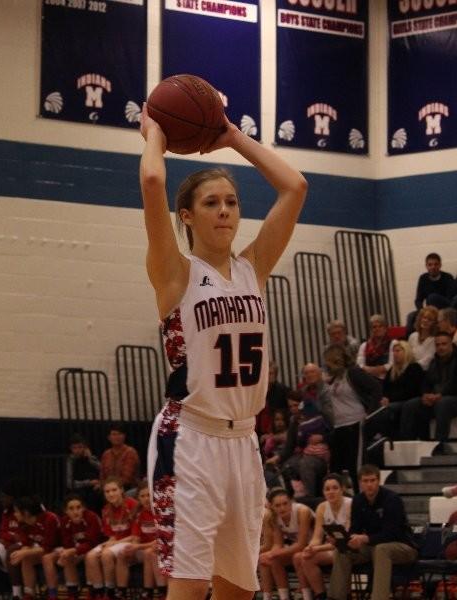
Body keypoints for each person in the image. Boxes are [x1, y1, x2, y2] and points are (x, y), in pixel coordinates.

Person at [140, 105, 307, 600]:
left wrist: (232, 135)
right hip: (190, 439)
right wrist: (155, 132)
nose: (226, 211)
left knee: (238, 589)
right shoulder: (175, 271)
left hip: (243, 444)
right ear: (187, 216)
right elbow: (153, 179)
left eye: (232, 202)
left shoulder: (253, 266)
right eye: (212, 203)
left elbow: (295, 186)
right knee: (189, 587)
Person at [327, 464, 417, 600]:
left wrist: (365, 539)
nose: (369, 485)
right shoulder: (358, 500)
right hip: (373, 547)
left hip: (403, 546)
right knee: (342, 551)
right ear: (360, 483)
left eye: (372, 480)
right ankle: (336, 597)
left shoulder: (392, 500)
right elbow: (355, 529)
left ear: (378, 481)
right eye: (365, 481)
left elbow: (392, 533)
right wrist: (345, 540)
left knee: (381, 549)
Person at [318, 343, 381, 486]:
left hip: (355, 423)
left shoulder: (353, 373)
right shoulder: (333, 379)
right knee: (336, 467)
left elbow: (376, 387)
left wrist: (370, 412)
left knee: (355, 465)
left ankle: (360, 493)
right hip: (339, 425)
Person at [399, 332, 457, 446]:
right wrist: (425, 394)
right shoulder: (434, 362)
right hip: (437, 397)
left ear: (451, 344)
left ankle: (439, 445)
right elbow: (426, 382)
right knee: (410, 405)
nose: (440, 347)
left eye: (444, 344)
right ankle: (408, 445)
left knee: (443, 403)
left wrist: (440, 395)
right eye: (437, 345)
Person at [293, 474, 351, 600]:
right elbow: (317, 537)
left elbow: (345, 541)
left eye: (335, 488)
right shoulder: (322, 507)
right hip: (331, 547)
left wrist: (317, 549)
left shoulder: (350, 505)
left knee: (311, 556)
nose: (331, 492)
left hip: (347, 549)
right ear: (323, 492)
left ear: (342, 489)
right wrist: (310, 547)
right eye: (327, 489)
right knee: (303, 557)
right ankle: (320, 594)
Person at [86, 478, 139, 600]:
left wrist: (114, 543)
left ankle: (110, 592)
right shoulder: (105, 510)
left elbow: (136, 535)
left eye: (114, 490)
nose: (111, 494)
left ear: (121, 490)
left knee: (106, 554)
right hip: (116, 542)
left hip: (130, 541)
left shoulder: (133, 505)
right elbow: (112, 535)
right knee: (90, 556)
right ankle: (98, 591)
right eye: (107, 491)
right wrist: (109, 543)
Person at [42, 494, 103, 600]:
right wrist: (68, 552)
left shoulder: (91, 517)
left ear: (83, 508)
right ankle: (70, 593)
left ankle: (94, 592)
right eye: (71, 509)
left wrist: (74, 550)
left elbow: (93, 542)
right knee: (56, 557)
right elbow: (67, 543)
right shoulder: (65, 521)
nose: (76, 511)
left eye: (78, 508)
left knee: (87, 555)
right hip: (77, 549)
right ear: (66, 511)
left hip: (95, 547)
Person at [258, 489, 314, 600]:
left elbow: (301, 544)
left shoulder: (302, 511)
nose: (282, 508)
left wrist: (273, 553)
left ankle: (307, 596)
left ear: (291, 502)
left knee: (295, 557)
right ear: (272, 507)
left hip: (314, 547)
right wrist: (270, 554)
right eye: (277, 505)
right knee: (269, 559)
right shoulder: (274, 517)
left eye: (285, 504)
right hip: (297, 549)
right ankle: (280, 597)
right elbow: (278, 544)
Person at [365, 341, 424, 444]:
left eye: (398, 351)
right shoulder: (392, 370)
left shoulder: (414, 368)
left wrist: (389, 399)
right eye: (393, 351)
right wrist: (384, 398)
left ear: (406, 352)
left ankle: (392, 439)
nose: (395, 354)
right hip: (393, 401)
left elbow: (411, 390)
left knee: (386, 411)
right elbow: (385, 388)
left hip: (408, 400)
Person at [118, 482, 166, 600]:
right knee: (122, 553)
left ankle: (160, 592)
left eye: (148, 495)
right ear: (138, 499)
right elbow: (135, 538)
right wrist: (131, 548)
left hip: (164, 548)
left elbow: (160, 542)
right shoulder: (139, 514)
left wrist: (137, 547)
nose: (146, 499)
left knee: (150, 553)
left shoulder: (162, 512)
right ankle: (120, 593)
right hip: (145, 548)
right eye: (142, 496)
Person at [11, 496, 61, 600]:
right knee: (25, 558)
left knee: (46, 558)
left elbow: (48, 547)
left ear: (26, 513)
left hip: (60, 548)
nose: (14, 514)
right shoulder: (24, 524)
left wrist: (24, 552)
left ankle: (52, 595)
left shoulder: (50, 519)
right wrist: (21, 553)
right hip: (44, 549)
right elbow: (26, 543)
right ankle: (29, 594)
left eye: (16, 511)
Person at [406, 252, 456, 331]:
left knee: (432, 297)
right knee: (411, 316)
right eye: (430, 265)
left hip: (445, 309)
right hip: (429, 310)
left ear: (440, 265)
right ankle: (410, 340)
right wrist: (422, 311)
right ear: (426, 266)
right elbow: (418, 300)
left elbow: (451, 299)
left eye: (436, 264)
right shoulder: (423, 278)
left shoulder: (448, 277)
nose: (433, 267)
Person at [66, 434, 103, 512]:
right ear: (71, 449)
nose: (77, 450)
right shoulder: (71, 460)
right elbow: (70, 484)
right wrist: (88, 483)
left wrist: (90, 458)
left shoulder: (91, 458)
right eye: (74, 448)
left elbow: (102, 469)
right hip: (79, 490)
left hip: (94, 489)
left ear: (85, 447)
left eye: (80, 447)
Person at [100, 424, 141, 492]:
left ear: (124, 436)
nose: (117, 437)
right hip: (109, 489)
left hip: (128, 489)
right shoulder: (106, 454)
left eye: (120, 434)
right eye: (114, 434)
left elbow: (127, 479)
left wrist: (111, 487)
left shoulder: (130, 452)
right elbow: (102, 476)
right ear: (109, 437)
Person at [356, 314, 393, 379]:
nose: (377, 329)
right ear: (371, 330)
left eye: (380, 326)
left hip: (387, 378)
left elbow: (392, 364)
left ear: (385, 328)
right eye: (374, 327)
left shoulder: (393, 343)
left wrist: (376, 370)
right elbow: (360, 365)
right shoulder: (364, 345)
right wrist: (371, 370)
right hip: (369, 379)